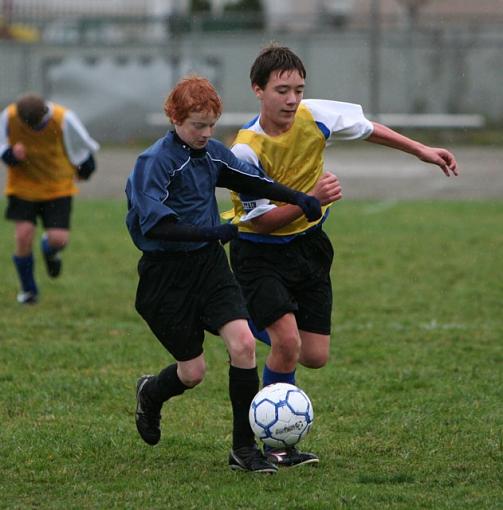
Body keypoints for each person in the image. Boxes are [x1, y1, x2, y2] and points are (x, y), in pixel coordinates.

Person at [227, 44, 458, 467]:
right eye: (282, 90)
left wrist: (423, 150)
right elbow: (260, 222)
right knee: (288, 343)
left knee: (314, 355)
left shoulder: (314, 115)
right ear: (257, 90)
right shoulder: (245, 150)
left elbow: (367, 127)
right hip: (259, 254)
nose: (292, 99)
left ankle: (253, 325)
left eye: (298, 89)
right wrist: (310, 199)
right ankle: (276, 446)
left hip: (310, 247)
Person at [125, 75, 322, 474]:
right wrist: (212, 231)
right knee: (192, 372)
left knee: (244, 344)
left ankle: (243, 450)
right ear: (176, 118)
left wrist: (298, 197)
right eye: (198, 125)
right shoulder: (155, 162)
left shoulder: (212, 153)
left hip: (209, 266)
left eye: (211, 124)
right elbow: (154, 226)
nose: (206, 133)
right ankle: (151, 392)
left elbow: (249, 180)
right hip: (166, 275)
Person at [0, 93, 99, 304]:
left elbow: (83, 147)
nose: (37, 131)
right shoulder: (8, 117)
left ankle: (50, 250)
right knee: (23, 236)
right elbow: (1, 147)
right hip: (23, 187)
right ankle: (29, 291)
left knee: (58, 239)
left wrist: (86, 170)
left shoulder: (64, 118)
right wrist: (11, 155)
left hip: (57, 188)